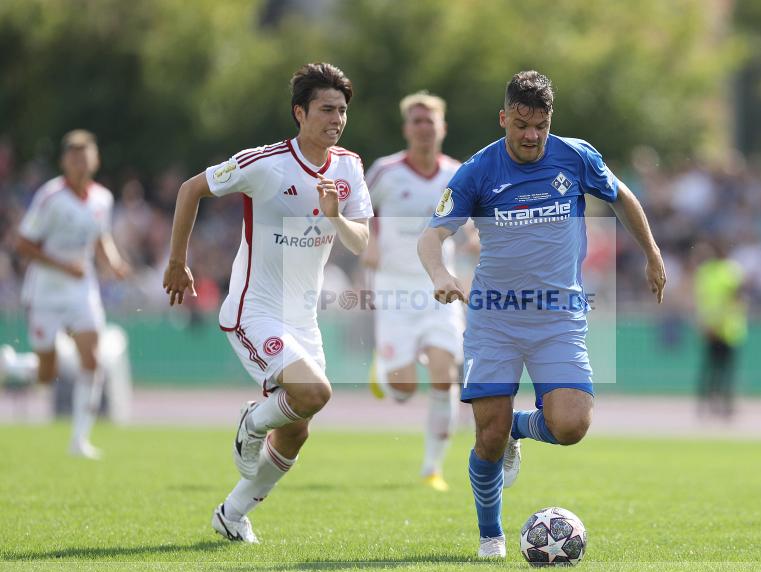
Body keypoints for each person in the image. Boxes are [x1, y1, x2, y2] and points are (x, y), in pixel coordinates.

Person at [418, 71, 666, 559]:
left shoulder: (575, 156)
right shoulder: (477, 171)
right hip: (494, 319)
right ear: (503, 118)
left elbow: (621, 196)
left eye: (541, 125)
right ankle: (490, 537)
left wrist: (652, 253)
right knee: (488, 437)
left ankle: (519, 427)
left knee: (571, 425)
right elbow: (431, 235)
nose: (532, 135)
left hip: (558, 318)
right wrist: (440, 274)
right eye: (522, 125)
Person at [162, 63, 372, 543]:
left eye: (342, 110)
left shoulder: (349, 167)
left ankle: (232, 513)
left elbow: (360, 241)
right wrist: (177, 262)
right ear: (300, 112)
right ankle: (252, 423)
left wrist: (336, 216)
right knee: (315, 394)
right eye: (326, 109)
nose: (336, 119)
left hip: (303, 318)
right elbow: (191, 189)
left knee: (297, 430)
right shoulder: (266, 163)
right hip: (254, 311)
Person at [362, 91, 463, 492]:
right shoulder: (385, 171)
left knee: (444, 375)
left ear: (443, 128)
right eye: (416, 121)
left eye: (429, 121)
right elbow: (357, 209)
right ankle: (385, 369)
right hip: (394, 287)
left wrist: (474, 238)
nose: (423, 128)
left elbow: (468, 220)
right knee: (403, 390)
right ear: (406, 128)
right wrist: (369, 241)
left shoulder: (457, 174)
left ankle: (432, 468)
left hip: (439, 285)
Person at [14, 130, 130, 459]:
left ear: (95, 160)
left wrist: (114, 262)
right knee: (46, 375)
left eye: (85, 157)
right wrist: (64, 266)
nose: (80, 163)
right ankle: (12, 366)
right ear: (64, 161)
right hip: (46, 290)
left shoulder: (102, 199)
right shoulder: (50, 197)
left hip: (82, 289)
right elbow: (23, 244)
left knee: (92, 359)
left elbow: (100, 237)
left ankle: (79, 440)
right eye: (74, 157)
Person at [693, 239, 747, 418]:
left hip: (725, 328)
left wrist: (710, 322)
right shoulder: (716, 272)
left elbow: (735, 299)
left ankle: (723, 404)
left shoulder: (725, 271)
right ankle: (711, 404)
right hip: (718, 328)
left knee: (721, 370)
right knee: (715, 370)